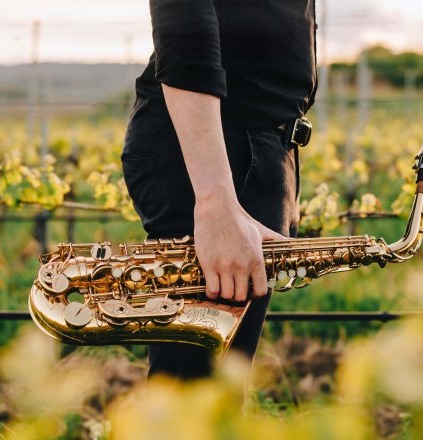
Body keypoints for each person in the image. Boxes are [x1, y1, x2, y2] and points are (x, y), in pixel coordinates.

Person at [121, 0, 317, 379]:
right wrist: (215, 199)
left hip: (251, 147)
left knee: (219, 388)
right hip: (221, 148)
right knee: (196, 394)